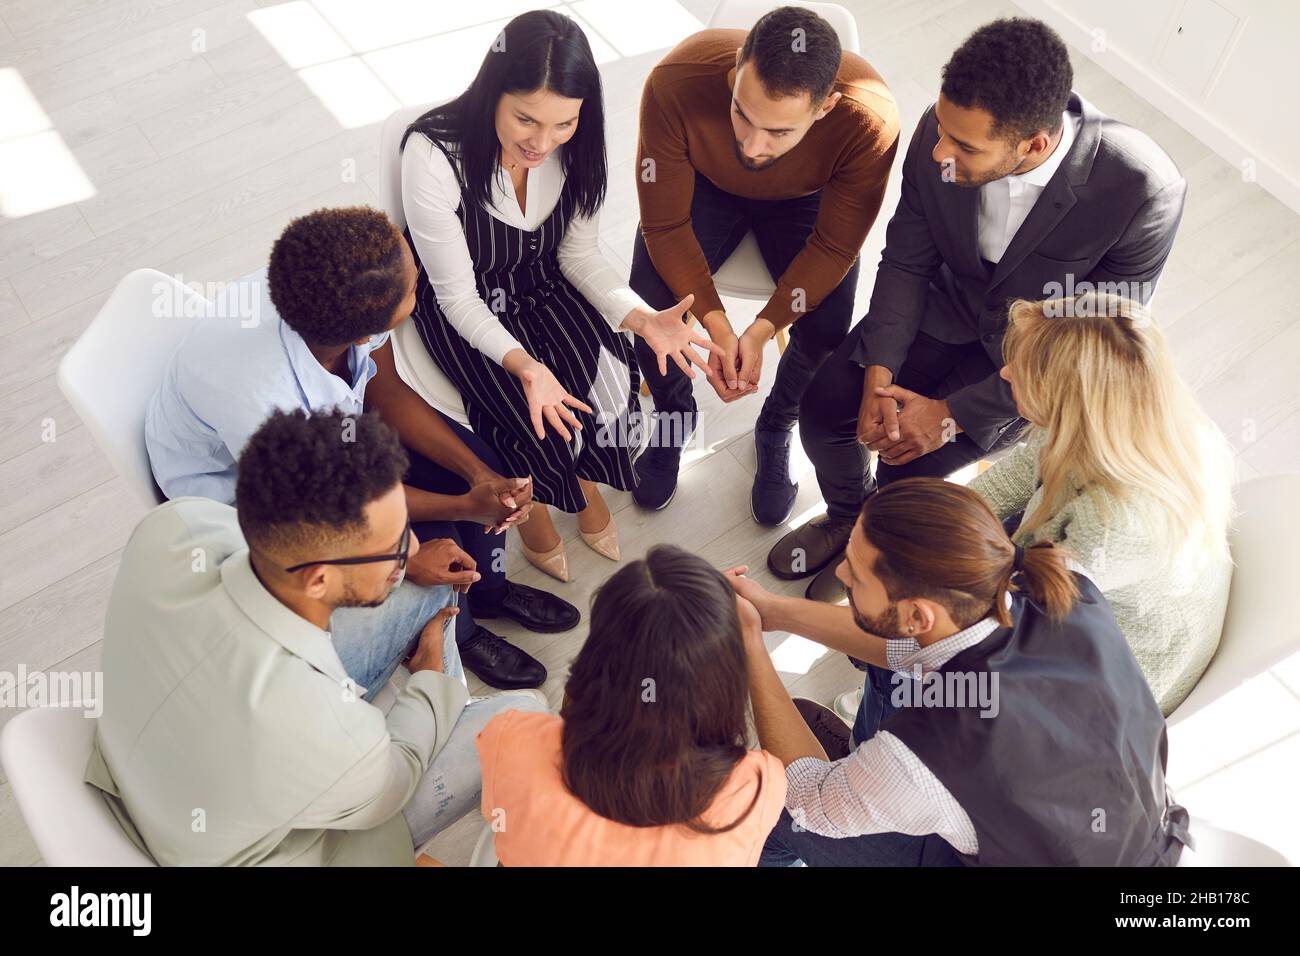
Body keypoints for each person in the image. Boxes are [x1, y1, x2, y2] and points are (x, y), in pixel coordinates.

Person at [771, 17, 1188, 602]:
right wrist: (879, 372)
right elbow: (906, 259)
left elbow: (1090, 349)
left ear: (1034, 145)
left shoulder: (1145, 191)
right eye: (941, 131)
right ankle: (846, 515)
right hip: (936, 308)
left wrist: (953, 413)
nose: (940, 151)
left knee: (909, 472)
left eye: (964, 147)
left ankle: (876, 540)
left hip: (1024, 365)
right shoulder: (943, 130)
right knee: (824, 410)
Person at [86, 409, 549, 865]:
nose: (412, 548)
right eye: (394, 544)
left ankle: (451, 713)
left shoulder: (175, 526)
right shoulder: (322, 729)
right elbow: (395, 776)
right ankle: (452, 712)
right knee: (529, 719)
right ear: (318, 579)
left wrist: (400, 567)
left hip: (147, 766)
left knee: (428, 589)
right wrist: (430, 679)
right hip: (282, 844)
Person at [145, 206, 578, 690]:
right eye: (414, 289)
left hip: (331, 446)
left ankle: (490, 590)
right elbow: (332, 507)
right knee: (426, 550)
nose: (420, 282)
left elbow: (384, 389)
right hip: (258, 506)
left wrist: (478, 477)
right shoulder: (267, 406)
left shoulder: (333, 295)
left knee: (480, 470)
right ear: (365, 330)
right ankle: (458, 630)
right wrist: (416, 549)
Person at [400, 10, 721, 583]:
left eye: (562, 125)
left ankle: (584, 483)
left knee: (610, 376)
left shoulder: (580, 147)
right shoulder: (432, 154)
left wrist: (641, 318)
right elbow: (455, 295)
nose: (542, 143)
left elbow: (578, 256)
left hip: (542, 276)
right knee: (528, 409)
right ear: (491, 92)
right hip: (467, 302)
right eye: (526, 119)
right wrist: (528, 366)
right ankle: (540, 512)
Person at [726, 477, 1190, 866]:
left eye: (857, 575)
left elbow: (806, 798)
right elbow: (904, 647)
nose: (842, 574)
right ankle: (862, 775)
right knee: (885, 678)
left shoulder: (927, 756)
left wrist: (750, 646)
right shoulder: (1063, 583)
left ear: (919, 615)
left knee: (763, 790)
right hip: (1122, 827)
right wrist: (771, 613)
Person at [630, 7, 899, 521]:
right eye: (741, 114)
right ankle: (674, 412)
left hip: (806, 198)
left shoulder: (869, 117)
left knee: (828, 324)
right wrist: (715, 319)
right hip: (704, 184)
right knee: (650, 306)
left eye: (778, 131)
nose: (753, 147)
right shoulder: (674, 82)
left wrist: (760, 330)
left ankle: (777, 423)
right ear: (735, 71)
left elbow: (835, 249)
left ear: (826, 108)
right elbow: (662, 227)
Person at [963, 292, 1233, 715]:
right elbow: (1017, 474)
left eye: (1026, 369)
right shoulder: (1127, 421)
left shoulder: (1111, 523)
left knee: (916, 639)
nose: (1006, 370)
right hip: (1088, 606)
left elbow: (1018, 611)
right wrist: (937, 513)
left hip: (1107, 690)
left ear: (1069, 397)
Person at [475, 545, 786, 865]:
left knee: (530, 700)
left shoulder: (511, 737)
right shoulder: (760, 785)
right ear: (725, 680)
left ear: (597, 653)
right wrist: (735, 632)